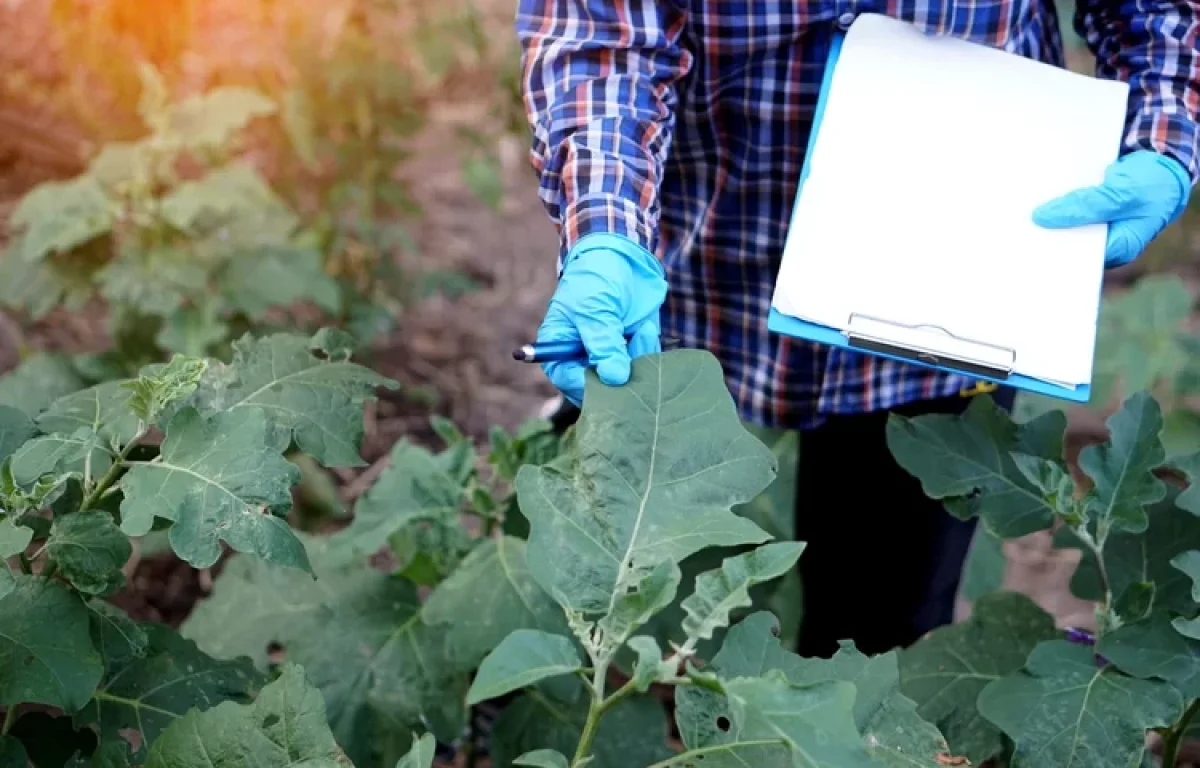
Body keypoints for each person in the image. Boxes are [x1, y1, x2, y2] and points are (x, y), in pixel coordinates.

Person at [514, 0, 1197, 657]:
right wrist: (604, 226)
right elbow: (600, 30)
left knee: (880, 628)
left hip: (961, 271)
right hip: (696, 249)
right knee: (593, 555)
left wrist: (1164, 131)